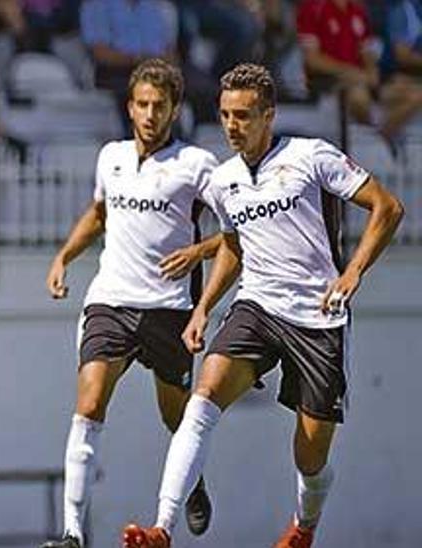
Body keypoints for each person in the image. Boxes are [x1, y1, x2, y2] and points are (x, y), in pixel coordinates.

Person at [121, 63, 405, 548]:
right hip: (258, 305)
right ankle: (162, 527)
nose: (233, 125)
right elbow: (233, 245)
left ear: (269, 115)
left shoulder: (311, 156)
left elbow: (387, 206)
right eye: (226, 115)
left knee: (310, 456)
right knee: (204, 396)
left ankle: (303, 526)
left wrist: (354, 270)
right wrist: (204, 307)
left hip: (318, 314)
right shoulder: (223, 179)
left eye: (244, 115)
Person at [40, 58, 220, 548]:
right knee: (89, 403)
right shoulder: (111, 156)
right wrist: (64, 256)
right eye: (142, 104)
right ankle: (73, 534)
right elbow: (99, 213)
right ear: (129, 106)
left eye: (159, 106)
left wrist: (199, 251)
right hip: (111, 301)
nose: (149, 114)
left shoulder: (196, 165)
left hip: (169, 310)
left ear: (174, 109)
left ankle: (194, 481)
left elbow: (237, 231)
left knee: (174, 417)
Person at [297, 0, 422, 141]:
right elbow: (312, 60)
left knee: (414, 91)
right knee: (358, 95)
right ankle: (378, 132)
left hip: (361, 79)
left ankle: (385, 128)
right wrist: (349, 72)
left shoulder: (357, 10)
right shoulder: (313, 8)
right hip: (329, 81)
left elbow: (367, 51)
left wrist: (372, 70)